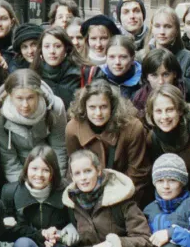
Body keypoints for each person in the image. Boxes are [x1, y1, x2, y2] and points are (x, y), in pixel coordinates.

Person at [65, 80, 152, 208]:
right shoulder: (73, 129)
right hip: (89, 193)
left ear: (112, 106)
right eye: (92, 107)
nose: (98, 113)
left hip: (125, 192)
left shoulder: (132, 128)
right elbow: (74, 169)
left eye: (103, 107)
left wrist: (116, 199)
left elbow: (138, 172)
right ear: (84, 107)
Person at [0, 69, 68, 181]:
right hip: (19, 171)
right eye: (19, 98)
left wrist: (56, 180)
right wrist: (21, 186)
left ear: (38, 94)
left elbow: (59, 148)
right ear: (10, 96)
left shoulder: (55, 107)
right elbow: (8, 156)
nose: (25, 105)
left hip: (47, 167)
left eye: (30, 98)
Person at [143, 84, 190, 195]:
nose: (164, 117)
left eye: (170, 110)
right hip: (175, 195)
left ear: (180, 110)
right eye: (159, 111)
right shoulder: (152, 139)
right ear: (152, 114)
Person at [33, 26, 97, 108]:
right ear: (40, 50)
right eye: (47, 46)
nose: (52, 51)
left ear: (66, 49)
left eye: (57, 46)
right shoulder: (34, 76)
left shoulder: (86, 73)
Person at [132, 48, 190, 116]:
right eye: (154, 75)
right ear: (146, 77)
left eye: (165, 75)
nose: (161, 82)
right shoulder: (138, 98)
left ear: (174, 74)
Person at [142, 7, 190, 78]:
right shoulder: (141, 56)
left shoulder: (189, 59)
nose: (162, 32)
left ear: (176, 30)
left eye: (167, 26)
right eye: (157, 26)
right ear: (152, 28)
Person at [101, 35, 143, 101]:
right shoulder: (97, 78)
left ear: (132, 59)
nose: (117, 62)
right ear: (106, 58)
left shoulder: (143, 80)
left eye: (123, 57)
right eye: (112, 57)